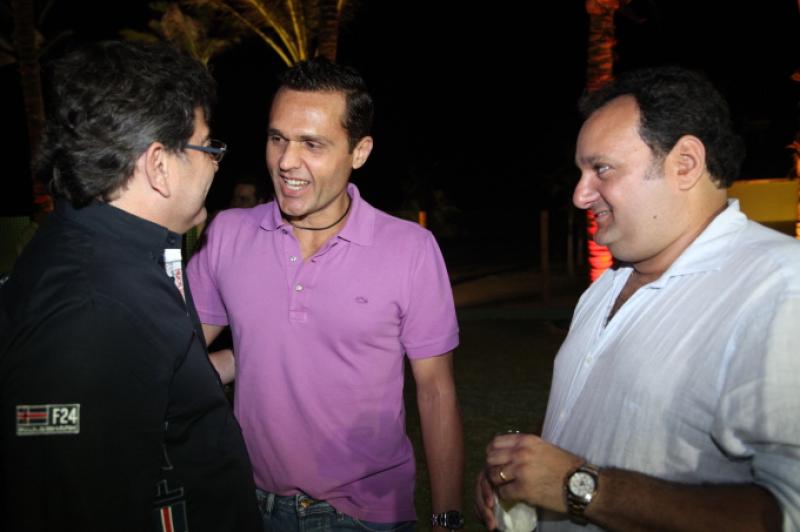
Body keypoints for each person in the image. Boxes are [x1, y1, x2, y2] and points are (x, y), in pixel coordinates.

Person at [476, 66, 800, 531]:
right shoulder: (606, 287)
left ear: (685, 163)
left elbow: (787, 513)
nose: (580, 195)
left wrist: (579, 487)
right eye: (581, 172)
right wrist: (526, 473)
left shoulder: (781, 290)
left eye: (601, 169)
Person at [187, 57, 465, 530]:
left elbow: (436, 392)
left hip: (363, 515)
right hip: (246, 503)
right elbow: (178, 350)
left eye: (312, 144)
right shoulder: (228, 233)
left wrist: (446, 517)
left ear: (360, 151)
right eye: (278, 139)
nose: (286, 161)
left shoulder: (410, 249)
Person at [0, 41, 260, 532]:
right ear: (159, 165)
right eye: (208, 148)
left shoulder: (113, 259)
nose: (215, 165)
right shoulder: (91, 308)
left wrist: (257, 355)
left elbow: (158, 389)